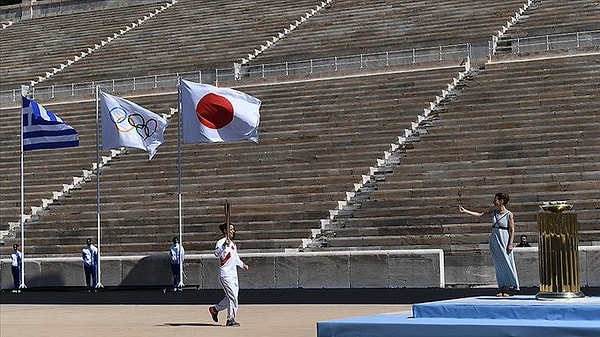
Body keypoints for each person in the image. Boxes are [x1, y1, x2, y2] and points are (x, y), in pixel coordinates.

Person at [459, 192, 520, 297]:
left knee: (507, 262)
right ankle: (501, 287)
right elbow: (480, 214)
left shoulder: (509, 214)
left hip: (504, 238)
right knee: (498, 265)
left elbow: (512, 230)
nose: (494, 201)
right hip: (495, 239)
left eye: (496, 199)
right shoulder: (494, 213)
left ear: (501, 201)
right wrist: (465, 211)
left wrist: (510, 243)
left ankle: (509, 287)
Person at [209, 223, 249, 327]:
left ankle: (215, 309)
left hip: (234, 275)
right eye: (230, 229)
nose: (232, 231)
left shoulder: (233, 245)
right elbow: (216, 254)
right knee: (232, 297)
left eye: (233, 229)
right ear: (225, 231)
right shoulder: (221, 242)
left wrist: (243, 265)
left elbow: (236, 259)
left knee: (232, 297)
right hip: (225, 274)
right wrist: (223, 246)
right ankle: (230, 319)